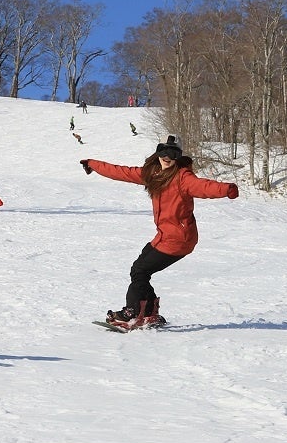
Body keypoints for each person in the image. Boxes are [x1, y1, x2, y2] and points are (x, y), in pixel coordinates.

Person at [81, 135, 238, 328]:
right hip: (165, 237)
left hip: (179, 239)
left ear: (178, 157)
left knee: (140, 270)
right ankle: (149, 312)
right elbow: (123, 172)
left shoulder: (183, 177)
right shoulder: (153, 174)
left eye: (172, 153)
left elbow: (203, 187)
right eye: (163, 151)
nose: (167, 157)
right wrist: (93, 164)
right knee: (140, 269)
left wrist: (227, 189)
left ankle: (132, 313)